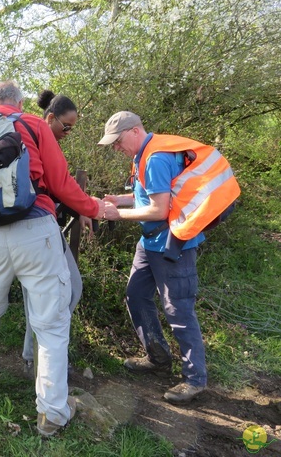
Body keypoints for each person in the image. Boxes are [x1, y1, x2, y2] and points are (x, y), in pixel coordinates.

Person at [0, 80, 105, 437]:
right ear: (17, 102)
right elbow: (62, 183)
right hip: (37, 231)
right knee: (50, 324)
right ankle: (51, 414)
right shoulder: (32, 124)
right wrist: (94, 207)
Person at [99, 111, 208, 404]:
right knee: (136, 294)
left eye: (117, 141)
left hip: (173, 245)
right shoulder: (145, 154)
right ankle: (157, 356)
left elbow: (159, 210)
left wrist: (116, 214)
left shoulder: (157, 157)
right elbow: (149, 197)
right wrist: (119, 199)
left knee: (178, 310)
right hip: (150, 243)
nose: (115, 148)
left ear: (135, 131)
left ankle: (195, 380)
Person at [20, 90, 95, 378]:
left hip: (38, 230)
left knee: (52, 295)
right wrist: (90, 207)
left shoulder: (39, 141)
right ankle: (39, 360)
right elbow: (57, 187)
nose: (69, 133)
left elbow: (56, 189)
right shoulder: (35, 142)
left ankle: (37, 358)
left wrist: (81, 210)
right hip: (36, 231)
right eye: (66, 126)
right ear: (49, 118)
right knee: (58, 293)